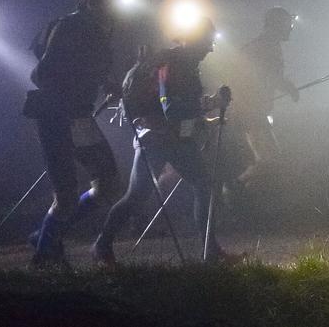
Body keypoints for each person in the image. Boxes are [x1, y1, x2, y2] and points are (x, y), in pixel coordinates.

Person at [92, 17, 237, 266]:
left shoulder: (184, 63)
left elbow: (179, 109)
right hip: (157, 140)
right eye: (208, 42)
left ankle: (210, 251)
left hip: (174, 139)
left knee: (204, 185)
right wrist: (211, 105)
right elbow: (172, 109)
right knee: (137, 196)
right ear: (195, 39)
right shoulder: (176, 64)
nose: (211, 48)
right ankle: (102, 244)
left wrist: (208, 115)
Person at [24, 0, 129, 267]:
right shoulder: (72, 26)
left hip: (80, 117)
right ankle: (44, 258)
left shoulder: (99, 30)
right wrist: (72, 88)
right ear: (91, 1)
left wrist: (104, 82)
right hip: (57, 117)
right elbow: (40, 75)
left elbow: (92, 68)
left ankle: (47, 233)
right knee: (67, 196)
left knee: (108, 185)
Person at [229, 6, 298, 187]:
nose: (291, 28)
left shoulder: (264, 46)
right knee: (270, 159)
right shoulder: (266, 47)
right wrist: (289, 88)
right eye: (288, 25)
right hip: (250, 112)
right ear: (278, 25)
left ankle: (246, 195)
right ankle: (234, 189)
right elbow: (269, 76)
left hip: (251, 111)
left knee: (264, 160)